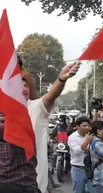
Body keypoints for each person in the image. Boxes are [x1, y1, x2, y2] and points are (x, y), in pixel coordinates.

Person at [25, 62, 80, 193]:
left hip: (35, 185)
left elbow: (50, 97)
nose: (22, 88)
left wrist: (61, 79)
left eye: (25, 85)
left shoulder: (36, 107)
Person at [68, 117, 93, 193]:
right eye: (84, 126)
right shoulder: (72, 137)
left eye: (88, 126)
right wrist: (87, 141)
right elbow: (77, 151)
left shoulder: (90, 135)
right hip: (78, 169)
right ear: (77, 126)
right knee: (78, 190)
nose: (87, 127)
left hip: (90, 168)